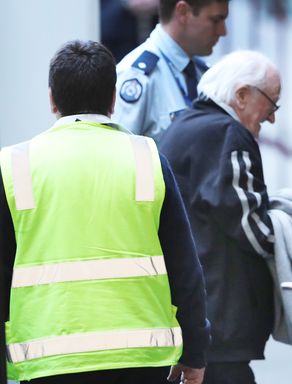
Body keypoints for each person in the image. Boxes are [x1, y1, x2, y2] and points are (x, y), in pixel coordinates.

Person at [0, 40, 210, 384]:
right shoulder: (148, 158)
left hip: (49, 362)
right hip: (140, 358)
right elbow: (186, 269)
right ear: (114, 99)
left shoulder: (15, 165)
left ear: (52, 98)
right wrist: (194, 353)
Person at [158, 50, 281, 384]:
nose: (271, 118)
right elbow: (254, 229)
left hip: (189, 314)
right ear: (241, 95)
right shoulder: (230, 134)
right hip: (223, 321)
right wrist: (288, 229)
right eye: (272, 103)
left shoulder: (182, 126)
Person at [112, 0, 229, 143]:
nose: (223, 31)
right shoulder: (137, 76)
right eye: (216, 20)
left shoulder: (204, 75)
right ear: (183, 12)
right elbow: (120, 153)